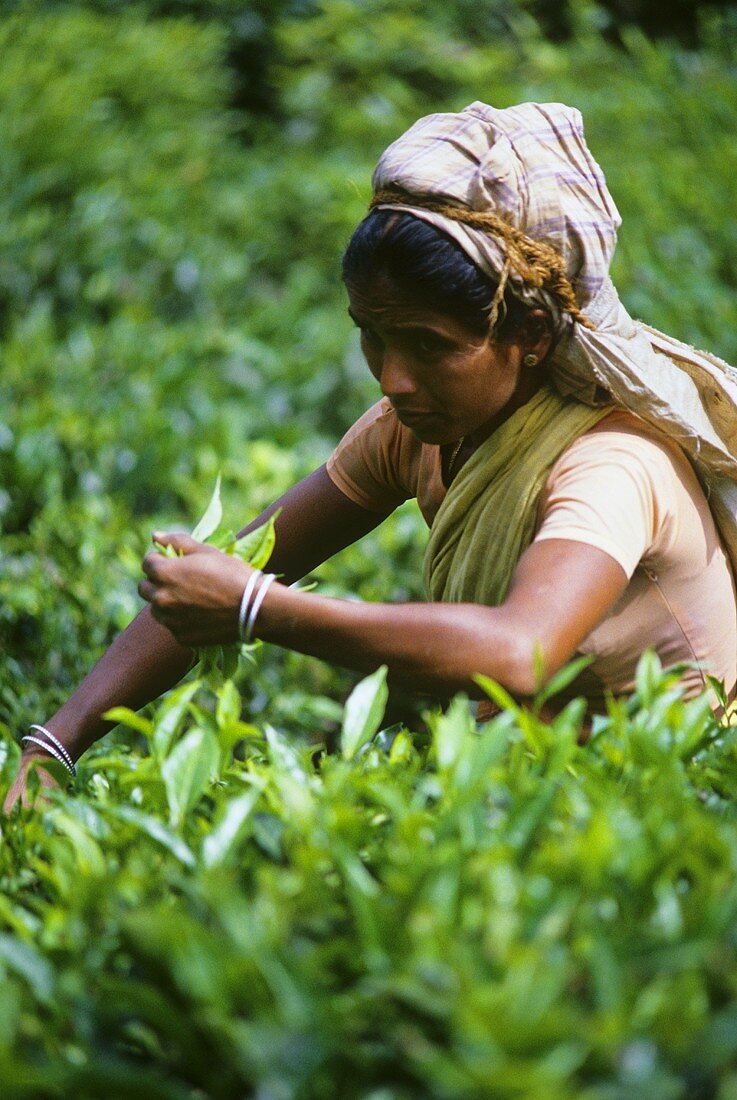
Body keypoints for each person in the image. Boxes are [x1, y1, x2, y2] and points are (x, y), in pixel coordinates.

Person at [6, 100, 737, 811]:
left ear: (533, 336)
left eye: (431, 346)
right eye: (373, 336)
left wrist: (258, 609)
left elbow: (521, 654)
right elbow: (235, 566)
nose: (392, 378)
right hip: (519, 783)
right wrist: (52, 749)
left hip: (661, 800)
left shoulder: (610, 461)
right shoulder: (416, 426)